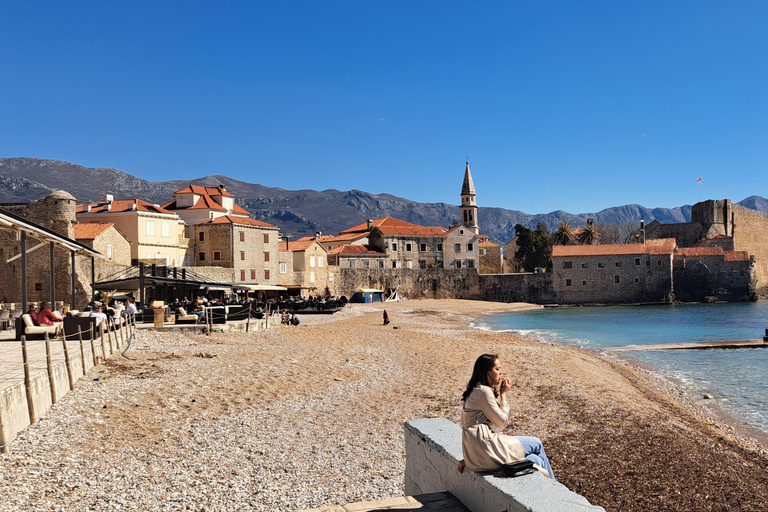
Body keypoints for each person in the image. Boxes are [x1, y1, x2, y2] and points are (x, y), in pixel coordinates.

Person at [457, 353, 555, 480]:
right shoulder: (483, 391)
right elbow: (502, 423)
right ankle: (555, 484)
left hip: (476, 450)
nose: (501, 372)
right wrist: (503, 395)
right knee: (537, 443)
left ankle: (549, 484)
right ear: (487, 372)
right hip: (485, 447)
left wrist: (469, 457)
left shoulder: (474, 390)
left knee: (534, 459)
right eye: (497, 369)